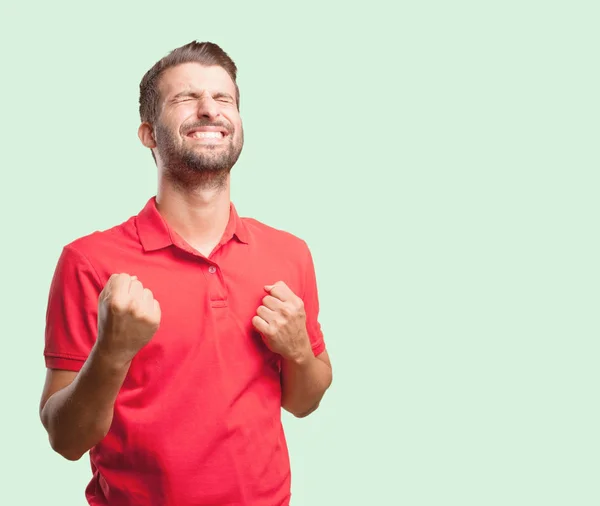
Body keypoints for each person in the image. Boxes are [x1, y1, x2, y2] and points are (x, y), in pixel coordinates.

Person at [39, 41, 332, 506]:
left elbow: (304, 401)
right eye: (185, 99)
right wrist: (112, 353)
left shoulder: (289, 253)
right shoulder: (89, 261)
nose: (208, 111)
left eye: (224, 99)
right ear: (148, 135)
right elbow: (65, 439)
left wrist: (298, 352)